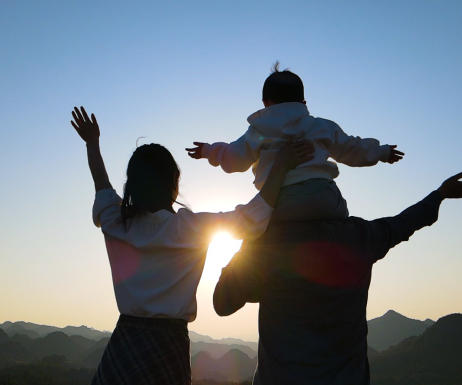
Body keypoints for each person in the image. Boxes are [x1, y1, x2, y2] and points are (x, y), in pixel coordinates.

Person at [70, 106, 313, 385]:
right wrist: (280, 167)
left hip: (124, 345)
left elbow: (101, 184)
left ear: (132, 186)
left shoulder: (116, 223)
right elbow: (251, 219)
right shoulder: (189, 228)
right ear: (173, 185)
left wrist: (92, 143)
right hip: (168, 346)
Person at [213, 171, 462, 385]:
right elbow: (403, 222)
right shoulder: (359, 236)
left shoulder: (266, 245)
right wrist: (439, 195)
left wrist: (251, 235)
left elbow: (223, 303)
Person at [186, 62, 404, 222]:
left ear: (265, 103)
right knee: (339, 217)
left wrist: (208, 151)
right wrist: (382, 152)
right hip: (322, 194)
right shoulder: (321, 126)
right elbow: (351, 148)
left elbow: (234, 158)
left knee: (266, 235)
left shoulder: (259, 131)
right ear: (303, 102)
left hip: (281, 200)